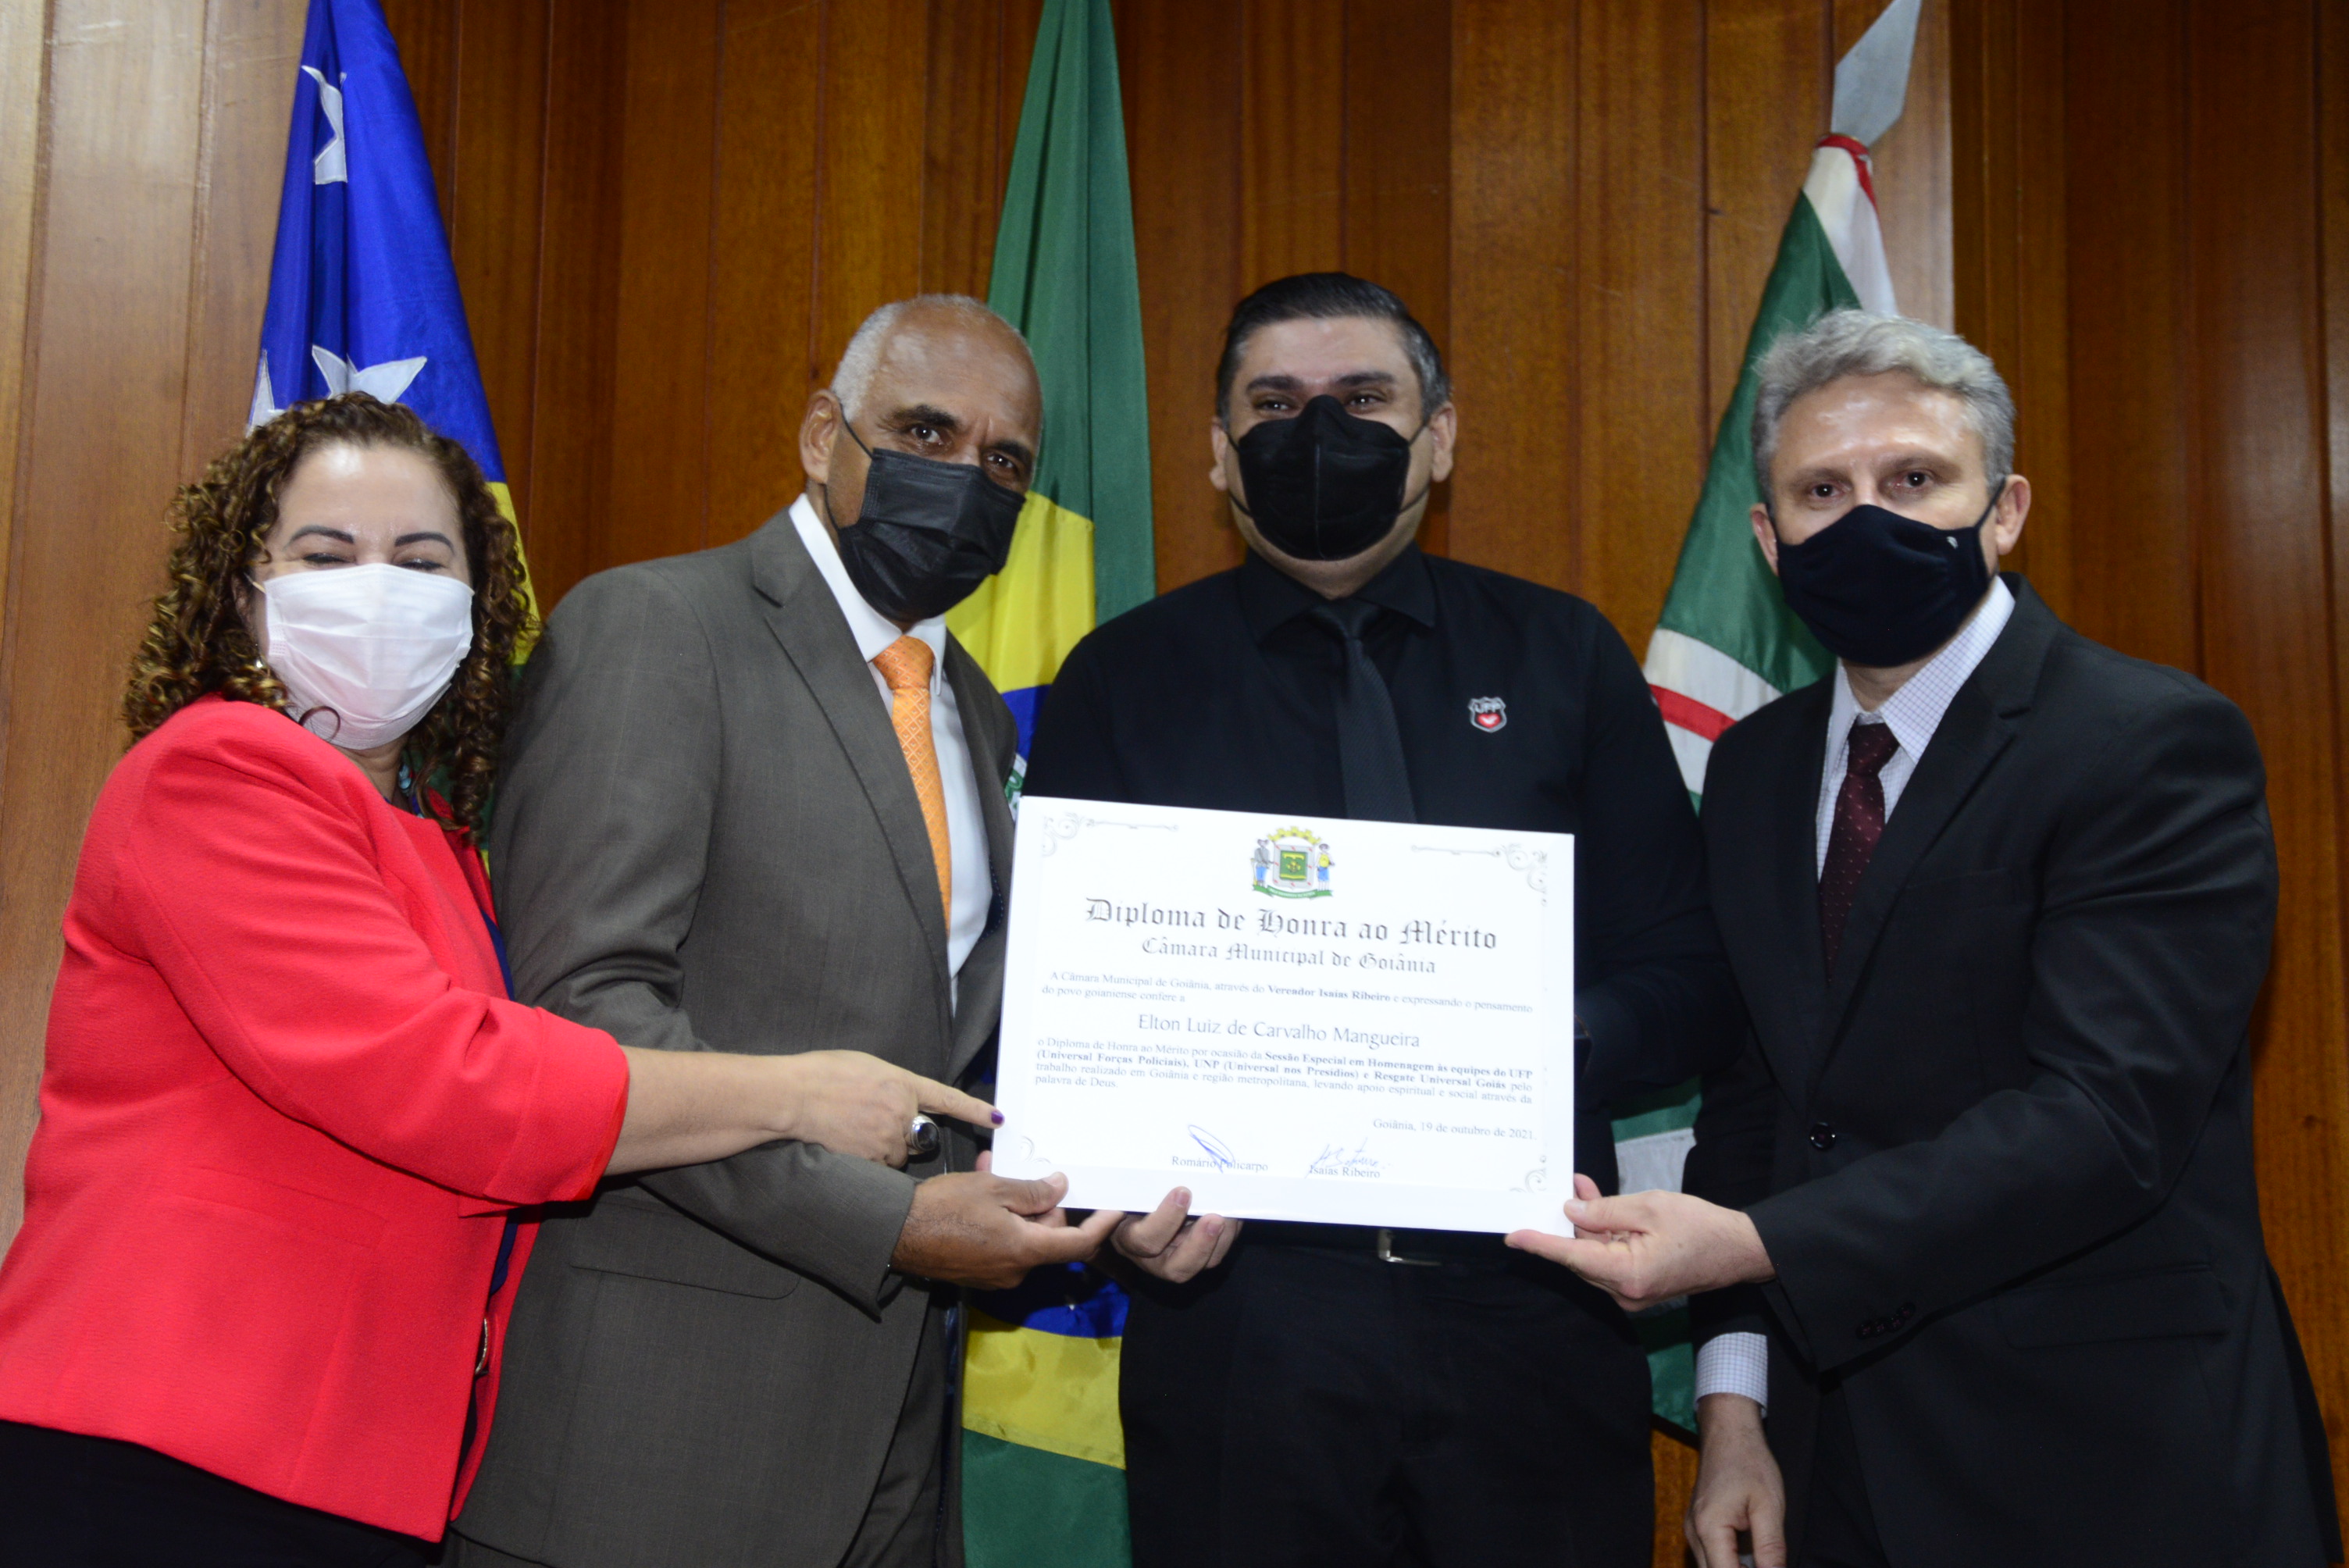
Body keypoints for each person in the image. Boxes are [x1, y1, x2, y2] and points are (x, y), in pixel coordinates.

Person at [0, 393, 992, 1567]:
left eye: (422, 562)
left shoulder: (443, 844)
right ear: (241, 587)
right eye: (327, 555)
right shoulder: (218, 772)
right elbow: (451, 1082)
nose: (378, 589)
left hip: (355, 1464)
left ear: (476, 608)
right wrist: (794, 1095)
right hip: (165, 1443)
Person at [1512, 310, 2341, 1567]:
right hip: (1829, 1460)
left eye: (1914, 480)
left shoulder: (2149, 743)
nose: (1868, 520)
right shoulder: (1755, 766)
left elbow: (2107, 1118)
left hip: (2108, 1456)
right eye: (1822, 492)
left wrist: (1757, 1246)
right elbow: (1757, 1103)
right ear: (1769, 540)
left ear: (2003, 511)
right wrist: (1735, 1415)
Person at [1022, 272, 1745, 1566]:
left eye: (1362, 400)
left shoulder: (1564, 656)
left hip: (1533, 1305)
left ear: (1439, 435)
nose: (1317, 433)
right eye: (1275, 405)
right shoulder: (1120, 681)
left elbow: (1690, 972)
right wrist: (1121, 1199)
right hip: (1242, 1320)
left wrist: (1529, 1044)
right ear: (1218, 453)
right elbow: (1064, 1004)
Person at [451, 296, 1135, 1568]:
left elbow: (960, 1046)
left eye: (1004, 463)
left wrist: (1127, 1186)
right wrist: (883, 1222)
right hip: (659, 1433)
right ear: (826, 436)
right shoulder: (659, 628)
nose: (964, 479)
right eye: (924, 432)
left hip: (897, 1433)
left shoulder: (978, 715)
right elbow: (587, 1016)